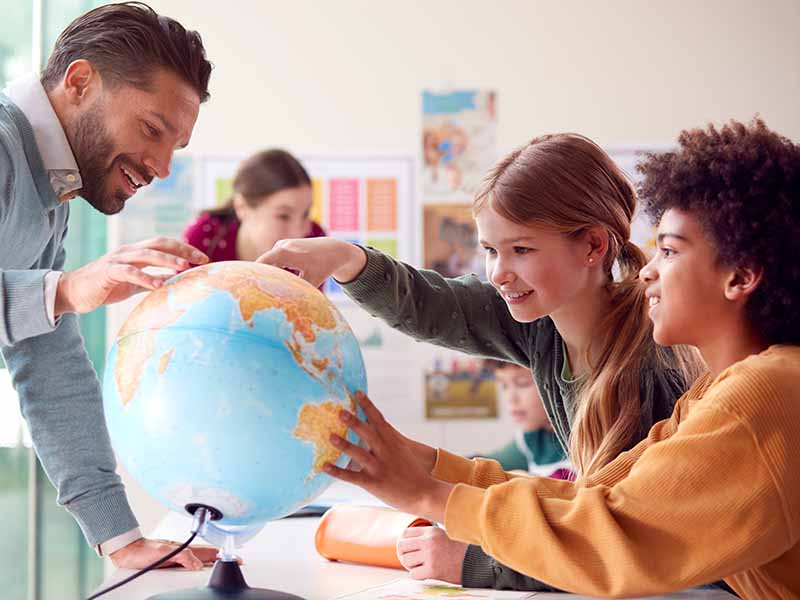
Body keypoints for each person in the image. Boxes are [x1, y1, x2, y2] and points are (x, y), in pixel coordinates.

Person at [324, 118, 800, 598]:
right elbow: (593, 501)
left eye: (670, 252)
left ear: (741, 277)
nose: (648, 271)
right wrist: (425, 464)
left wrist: (431, 496)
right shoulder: (717, 393)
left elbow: (612, 537)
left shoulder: (762, 394)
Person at [258, 132, 704, 589]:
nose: (499, 273)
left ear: (593, 246)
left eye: (521, 250)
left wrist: (481, 563)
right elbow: (432, 305)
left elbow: (628, 542)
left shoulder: (656, 362)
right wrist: (343, 256)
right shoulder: (540, 323)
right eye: (491, 250)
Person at [0, 3, 218, 569]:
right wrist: (65, 290)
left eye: (175, 147)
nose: (163, 167)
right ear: (80, 82)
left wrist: (120, 537)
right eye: (152, 130)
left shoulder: (51, 191)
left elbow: (49, 361)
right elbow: (51, 307)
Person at [184, 149, 325, 263]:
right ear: (242, 207)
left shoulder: (314, 241)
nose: (298, 234)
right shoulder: (204, 237)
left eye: (306, 214)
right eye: (283, 216)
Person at [479, 359, 572, 479]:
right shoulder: (531, 438)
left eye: (522, 384)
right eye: (504, 385)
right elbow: (486, 463)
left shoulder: (586, 438)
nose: (511, 399)